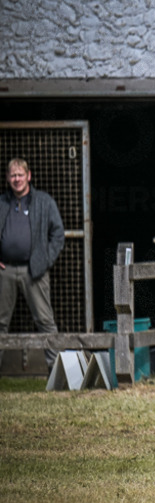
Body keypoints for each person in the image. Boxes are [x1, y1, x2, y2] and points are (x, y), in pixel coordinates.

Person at [0, 158, 65, 369]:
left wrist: (45, 260)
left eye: (20, 175)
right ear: (8, 178)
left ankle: (56, 372)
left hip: (34, 270)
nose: (16, 179)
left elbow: (58, 234)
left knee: (45, 322)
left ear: (29, 176)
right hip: (5, 270)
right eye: (13, 175)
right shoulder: (2, 203)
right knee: (0, 323)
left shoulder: (44, 202)